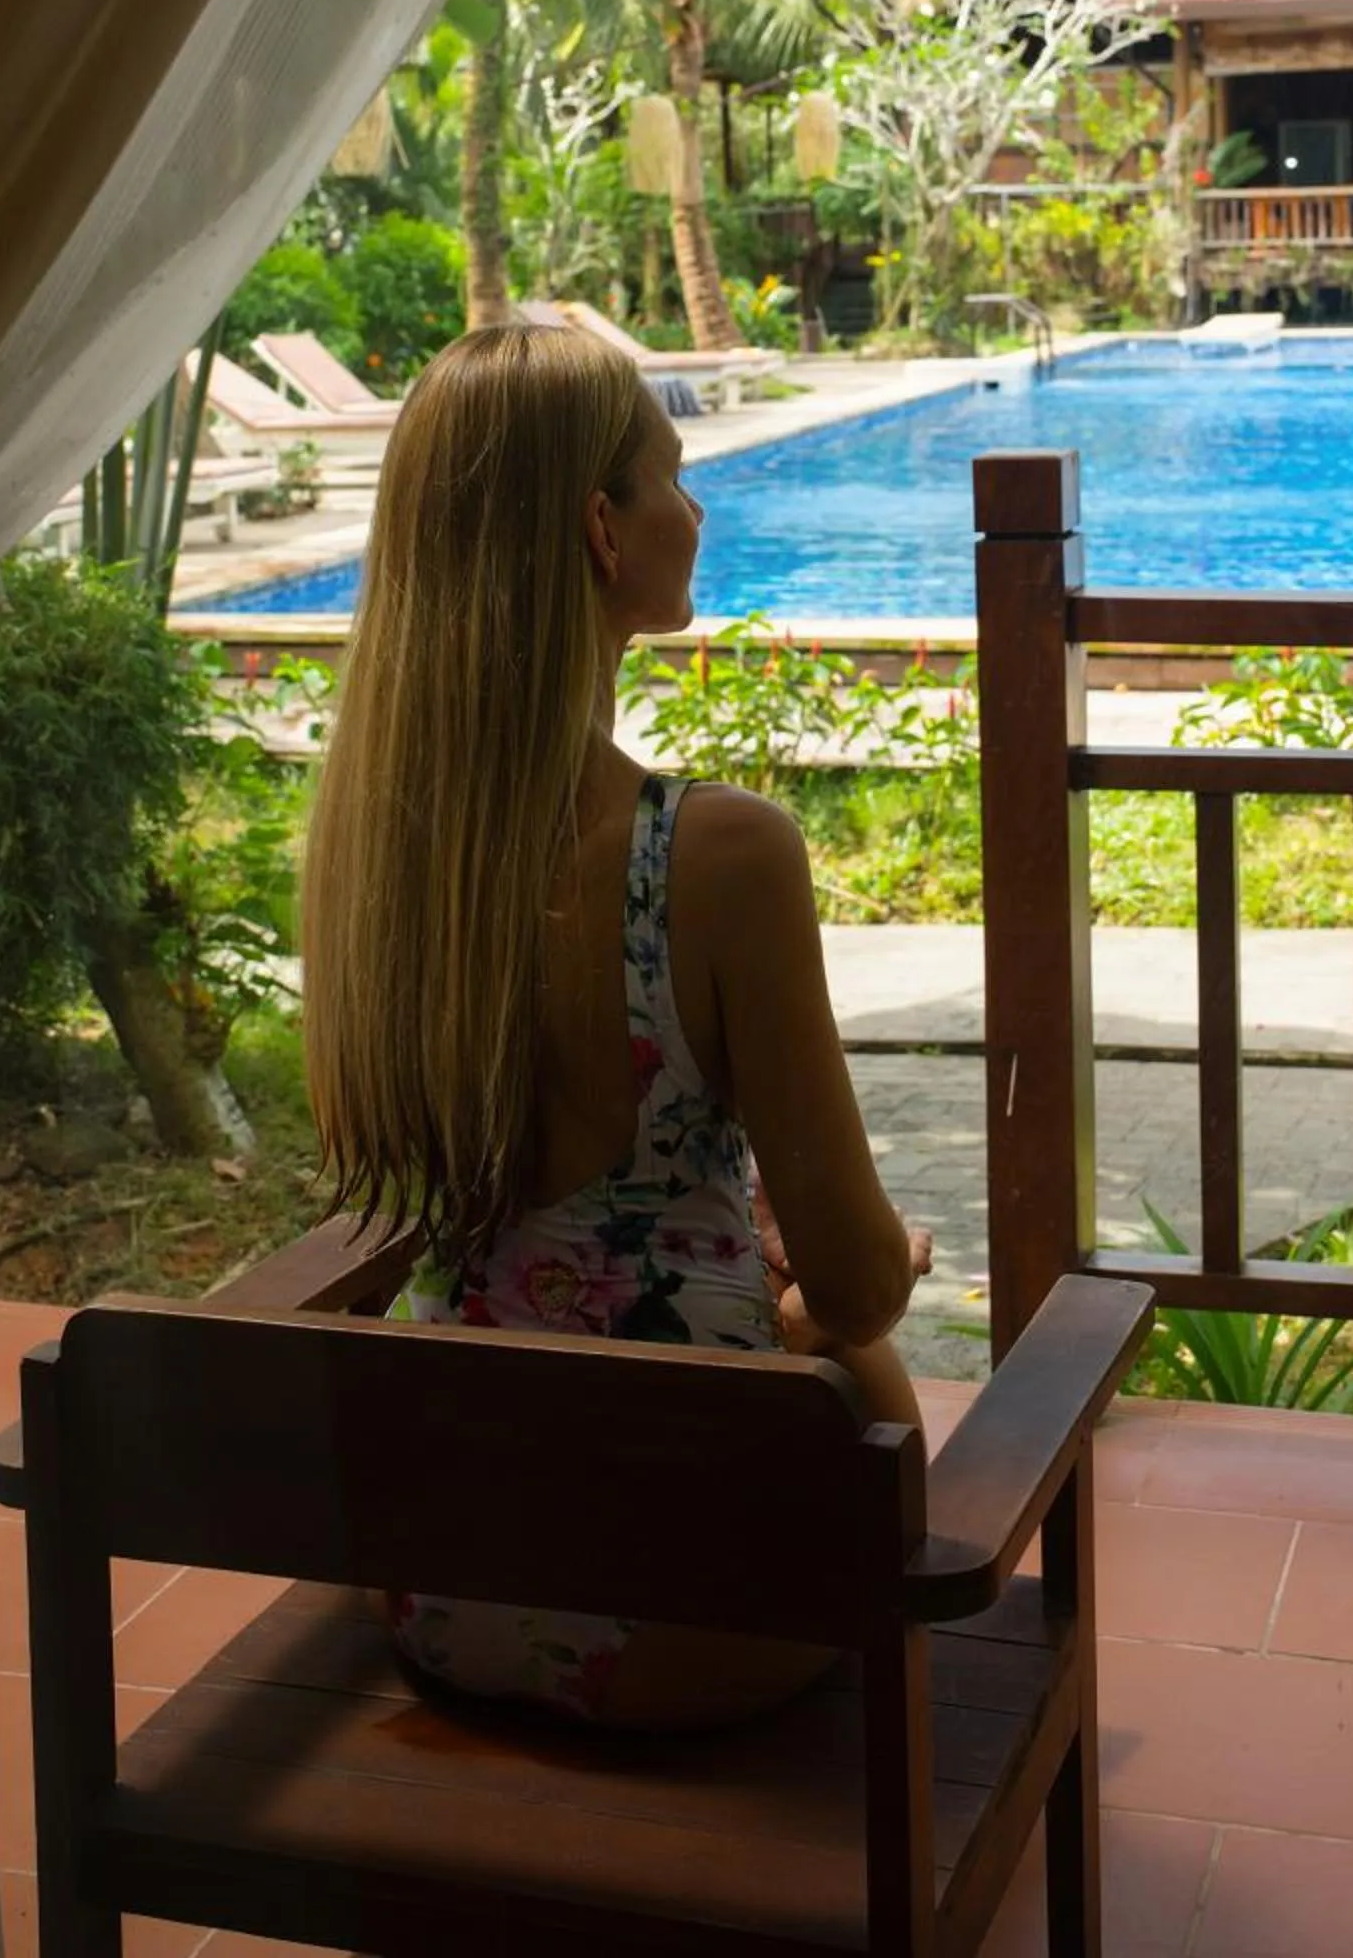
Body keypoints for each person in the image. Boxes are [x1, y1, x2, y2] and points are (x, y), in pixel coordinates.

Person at [301, 324, 931, 1728]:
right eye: (672, 477)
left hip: (444, 1574)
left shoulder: (365, 855)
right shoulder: (718, 857)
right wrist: (804, 1288)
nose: (693, 511)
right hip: (702, 1605)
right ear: (602, 530)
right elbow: (865, 1288)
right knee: (866, 1385)